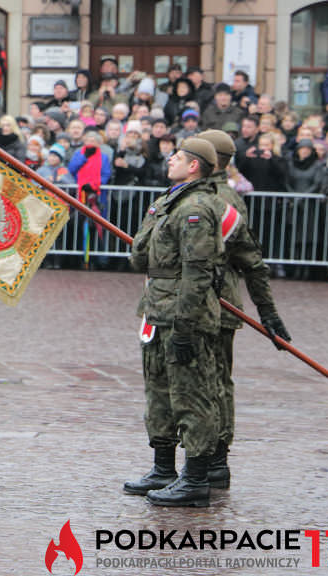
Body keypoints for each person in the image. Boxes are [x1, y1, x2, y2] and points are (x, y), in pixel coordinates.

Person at [125, 137, 224, 508]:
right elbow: (141, 257)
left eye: (178, 157)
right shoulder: (170, 202)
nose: (171, 160)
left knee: (191, 397)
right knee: (161, 394)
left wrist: (185, 325)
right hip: (157, 309)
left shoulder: (197, 207)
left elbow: (197, 273)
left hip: (185, 315)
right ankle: (163, 468)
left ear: (194, 165)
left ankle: (196, 478)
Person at [198, 129, 291, 488]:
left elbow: (250, 260)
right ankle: (196, 460)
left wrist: (268, 312)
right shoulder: (196, 193)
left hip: (218, 301)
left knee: (216, 382)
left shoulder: (225, 199)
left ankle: (216, 459)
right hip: (188, 301)